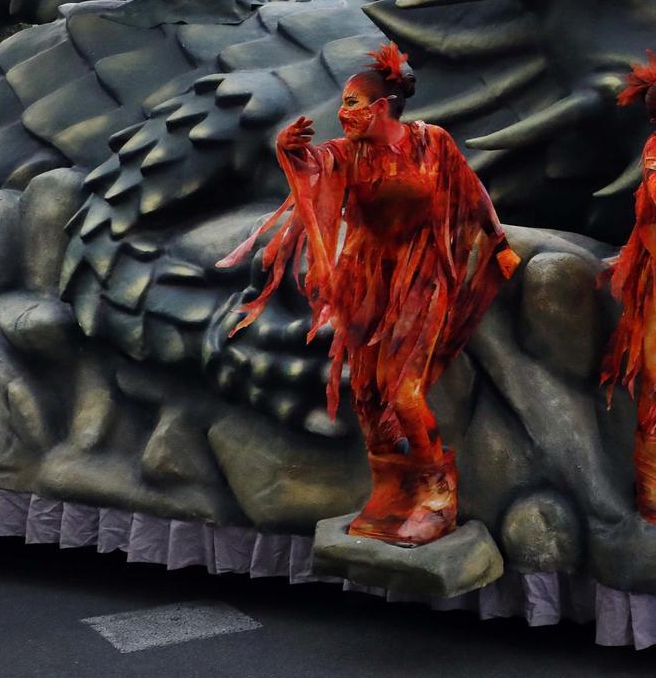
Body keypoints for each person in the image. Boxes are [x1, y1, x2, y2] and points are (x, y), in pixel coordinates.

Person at [218, 44, 519, 544]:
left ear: (381, 107)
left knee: (404, 393)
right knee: (368, 396)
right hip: (366, 280)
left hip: (421, 277)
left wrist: (498, 243)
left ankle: (437, 497)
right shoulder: (345, 153)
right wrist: (289, 149)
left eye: (353, 103)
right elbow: (313, 167)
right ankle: (393, 494)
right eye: (344, 103)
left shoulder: (431, 142)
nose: (343, 112)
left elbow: (470, 192)